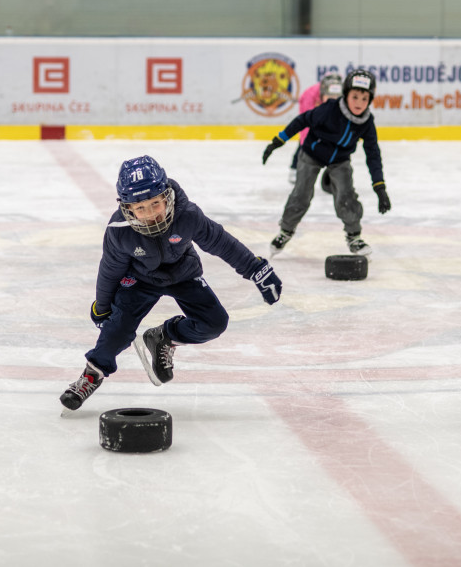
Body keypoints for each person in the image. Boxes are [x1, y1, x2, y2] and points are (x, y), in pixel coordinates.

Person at [60, 155, 283, 412]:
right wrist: (102, 306)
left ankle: (165, 336)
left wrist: (256, 269)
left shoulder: (186, 215)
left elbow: (221, 242)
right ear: (127, 208)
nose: (151, 214)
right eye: (140, 208)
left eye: (155, 203)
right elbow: (110, 270)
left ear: (167, 196)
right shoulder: (119, 230)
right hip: (139, 279)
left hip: (184, 273)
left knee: (214, 323)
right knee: (116, 330)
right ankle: (92, 374)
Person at [262, 69, 390, 257]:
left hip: (340, 160)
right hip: (311, 154)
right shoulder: (330, 109)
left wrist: (380, 187)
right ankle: (285, 231)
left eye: (365, 99)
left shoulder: (367, 122)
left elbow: (373, 154)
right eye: (355, 97)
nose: (359, 103)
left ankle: (354, 236)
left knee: (346, 195)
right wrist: (278, 141)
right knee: (301, 194)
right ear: (346, 95)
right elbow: (302, 120)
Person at [287, 71, 344, 184]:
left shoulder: (341, 92)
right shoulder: (310, 95)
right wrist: (306, 140)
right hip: (312, 114)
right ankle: (295, 168)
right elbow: (305, 121)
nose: (334, 97)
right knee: (305, 143)